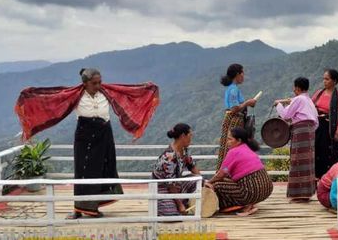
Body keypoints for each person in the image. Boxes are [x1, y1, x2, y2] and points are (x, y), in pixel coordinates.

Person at [14, 68, 160, 219]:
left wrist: (148, 89)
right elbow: (51, 100)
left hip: (104, 134)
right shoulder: (75, 95)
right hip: (85, 136)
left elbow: (129, 93)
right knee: (82, 172)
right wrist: (29, 95)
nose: (98, 86)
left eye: (100, 82)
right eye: (94, 83)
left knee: (102, 168)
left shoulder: (107, 92)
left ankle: (94, 206)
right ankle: (78, 209)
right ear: (85, 83)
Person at [206, 127, 273, 216]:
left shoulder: (233, 152)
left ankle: (243, 205)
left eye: (230, 139)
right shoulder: (247, 149)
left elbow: (222, 173)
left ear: (239, 140)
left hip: (252, 191)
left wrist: (208, 182)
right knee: (223, 182)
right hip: (266, 190)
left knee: (217, 185)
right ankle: (248, 204)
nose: (227, 142)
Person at [274, 77, 318, 202]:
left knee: (298, 160)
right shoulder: (308, 100)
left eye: (294, 88)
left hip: (301, 130)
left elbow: (286, 115)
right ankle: (306, 193)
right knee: (307, 162)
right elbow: (316, 121)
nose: (293, 90)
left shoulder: (298, 99)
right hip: (310, 131)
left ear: (297, 88)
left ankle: (299, 195)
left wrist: (279, 105)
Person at [152, 123, 202, 216]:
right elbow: (170, 184)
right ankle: (176, 204)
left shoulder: (184, 150)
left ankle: (181, 202)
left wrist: (203, 182)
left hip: (176, 185)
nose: (191, 138)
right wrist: (179, 205)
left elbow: (192, 166)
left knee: (198, 180)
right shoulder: (169, 156)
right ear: (183, 136)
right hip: (164, 188)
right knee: (172, 215)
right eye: (190, 135)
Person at [218, 64, 257, 171]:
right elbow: (234, 108)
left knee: (228, 148)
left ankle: (225, 173)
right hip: (234, 121)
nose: (243, 76)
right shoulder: (234, 89)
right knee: (233, 147)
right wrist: (248, 102)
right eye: (242, 73)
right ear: (237, 74)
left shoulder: (231, 88)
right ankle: (228, 175)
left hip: (231, 120)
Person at [312, 69, 338, 179]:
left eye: (327, 79)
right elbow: (309, 104)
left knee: (329, 154)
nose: (324, 81)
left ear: (334, 81)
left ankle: (329, 180)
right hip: (317, 128)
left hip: (330, 129)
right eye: (324, 79)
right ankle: (317, 180)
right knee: (316, 153)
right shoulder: (319, 93)